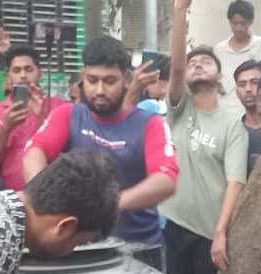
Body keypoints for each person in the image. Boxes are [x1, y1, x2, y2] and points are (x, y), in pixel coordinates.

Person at [161, 0, 249, 274]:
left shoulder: (233, 121)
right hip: (176, 225)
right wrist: (180, 12)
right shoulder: (179, 109)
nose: (197, 64)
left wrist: (221, 231)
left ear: (220, 77)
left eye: (206, 61)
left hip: (210, 233)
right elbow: (177, 65)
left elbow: (235, 180)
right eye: (194, 61)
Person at [24, 35, 178, 249]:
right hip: (77, 247)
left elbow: (165, 181)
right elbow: (35, 151)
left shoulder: (150, 124)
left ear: (126, 78)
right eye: (92, 80)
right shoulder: (67, 115)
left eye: (109, 81)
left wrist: (104, 205)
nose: (99, 90)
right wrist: (42, 197)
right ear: (83, 76)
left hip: (137, 247)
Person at [0, 45, 64, 191]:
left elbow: (62, 153)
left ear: (40, 73)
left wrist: (42, 118)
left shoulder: (57, 106)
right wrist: (4, 128)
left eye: (28, 69)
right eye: (16, 70)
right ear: (8, 76)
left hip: (49, 191)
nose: (22, 76)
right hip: (8, 192)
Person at [214, 1, 261, 108]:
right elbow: (213, 77)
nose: (239, 28)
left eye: (243, 23)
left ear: (250, 22)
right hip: (225, 107)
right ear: (230, 22)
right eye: (235, 23)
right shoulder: (219, 49)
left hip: (254, 108)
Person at [232, 59, 261, 129]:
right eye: (242, 85)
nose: (248, 89)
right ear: (237, 93)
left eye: (255, 82)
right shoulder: (233, 132)